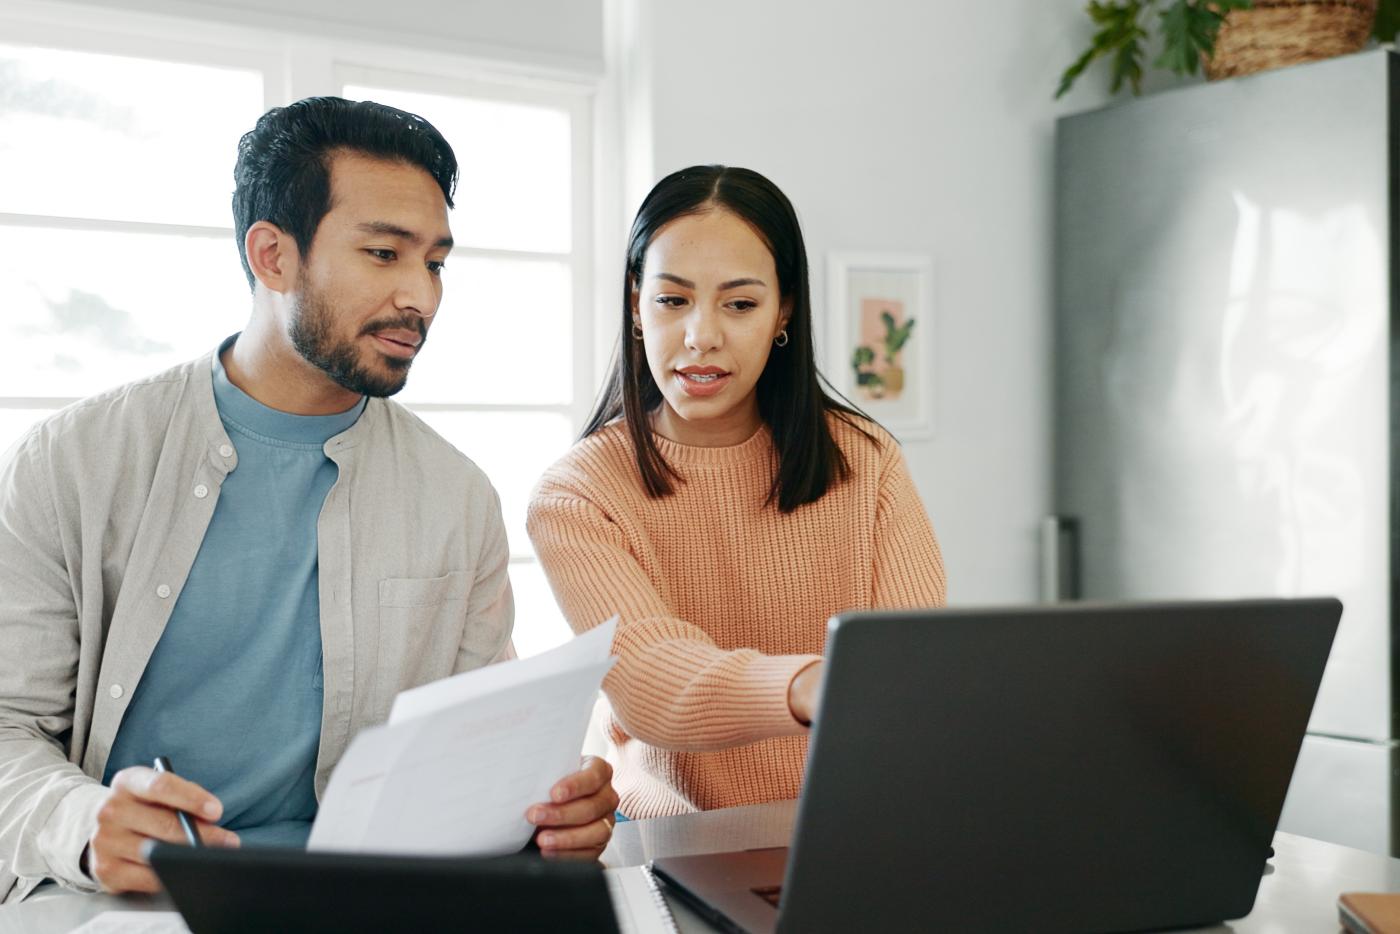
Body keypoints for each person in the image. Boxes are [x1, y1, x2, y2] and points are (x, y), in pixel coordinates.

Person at [0, 97, 617, 905]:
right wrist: (85, 823)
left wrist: (547, 811)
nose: (421, 297)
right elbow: (8, 725)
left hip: (373, 901)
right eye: (383, 253)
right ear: (272, 256)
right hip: (126, 902)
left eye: (434, 263)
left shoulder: (457, 496)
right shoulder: (73, 462)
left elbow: (474, 749)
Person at [527, 165, 947, 819]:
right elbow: (650, 681)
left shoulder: (867, 460)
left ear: (784, 310)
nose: (701, 336)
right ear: (636, 305)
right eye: (672, 300)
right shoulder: (577, 496)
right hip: (674, 841)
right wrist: (810, 685)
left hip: (856, 826)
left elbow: (913, 670)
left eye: (740, 304)